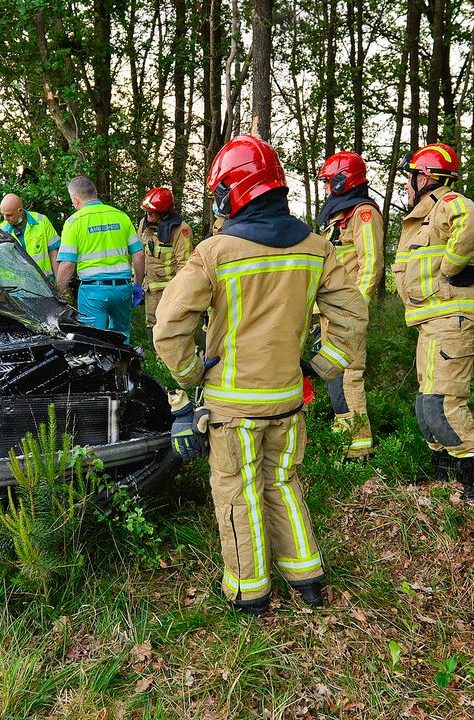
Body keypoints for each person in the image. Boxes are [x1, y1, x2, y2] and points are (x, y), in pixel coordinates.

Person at [153, 135, 368, 615]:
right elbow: (352, 316)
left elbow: (168, 328)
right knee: (283, 483)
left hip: (233, 405)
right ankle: (307, 576)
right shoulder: (316, 248)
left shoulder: (215, 251)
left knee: (238, 490)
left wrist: (191, 376)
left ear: (235, 192)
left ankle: (250, 590)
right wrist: (322, 366)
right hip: (289, 397)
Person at [392, 143, 474, 498]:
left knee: (443, 403)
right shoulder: (422, 218)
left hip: (453, 321)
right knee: (427, 404)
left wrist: (450, 267)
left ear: (427, 177)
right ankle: (447, 474)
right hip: (434, 323)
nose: (406, 185)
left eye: (410, 177)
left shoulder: (446, 204)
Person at [315, 151, 384, 460]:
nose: (327, 188)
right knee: (334, 374)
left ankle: (359, 448)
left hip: (347, 312)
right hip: (330, 310)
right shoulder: (338, 214)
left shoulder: (363, 213)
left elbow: (371, 261)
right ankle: (344, 431)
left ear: (345, 180)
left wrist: (358, 308)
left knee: (350, 375)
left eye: (331, 182)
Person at [54, 176, 145, 344]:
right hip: (123, 289)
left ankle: (103, 369)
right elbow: (139, 254)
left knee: (94, 340)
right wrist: (137, 285)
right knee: (122, 336)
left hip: (93, 292)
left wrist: (58, 294)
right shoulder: (120, 216)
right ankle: (123, 368)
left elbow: (67, 265)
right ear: (95, 193)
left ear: (75, 199)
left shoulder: (74, 222)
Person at [137, 186, 193, 339]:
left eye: (152, 213)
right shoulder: (144, 224)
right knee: (151, 323)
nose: (148, 216)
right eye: (147, 212)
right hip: (150, 289)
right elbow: (140, 255)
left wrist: (178, 294)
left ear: (164, 212)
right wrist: (136, 281)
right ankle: (155, 359)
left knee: (171, 327)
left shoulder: (181, 230)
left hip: (171, 292)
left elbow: (185, 266)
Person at [0, 193, 60, 281]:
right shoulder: (1, 230)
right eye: (3, 214)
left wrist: (60, 286)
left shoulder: (41, 221)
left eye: (9, 215)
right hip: (19, 288)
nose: (5, 218)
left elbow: (54, 253)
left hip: (45, 284)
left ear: (19, 211)